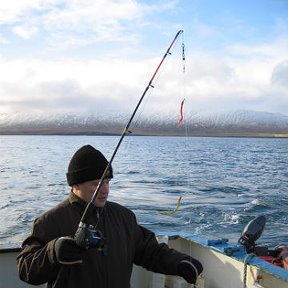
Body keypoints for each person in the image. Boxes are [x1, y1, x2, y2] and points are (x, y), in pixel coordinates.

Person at [17, 144, 203, 288]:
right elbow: (25, 269)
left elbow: (149, 251)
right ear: (75, 185)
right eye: (96, 184)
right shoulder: (50, 221)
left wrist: (179, 262)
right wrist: (53, 252)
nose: (104, 189)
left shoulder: (124, 217)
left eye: (107, 182)